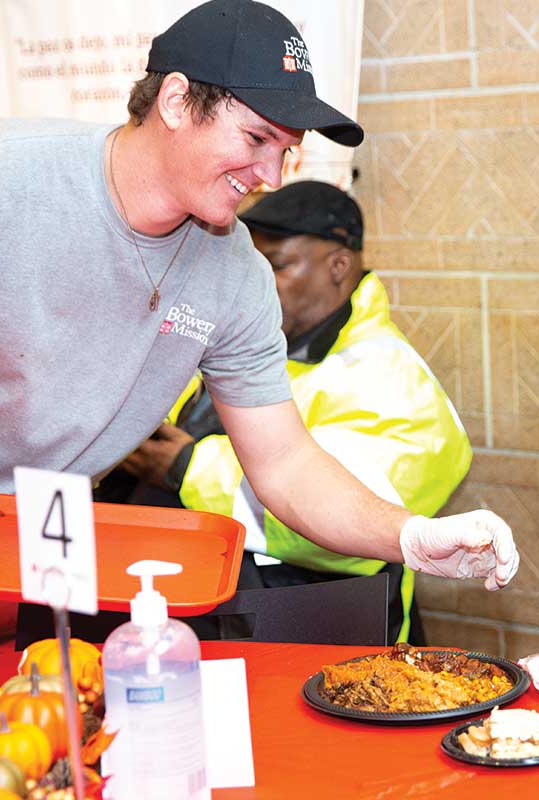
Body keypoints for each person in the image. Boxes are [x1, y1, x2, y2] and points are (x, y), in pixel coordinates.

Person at [0, 0, 517, 678]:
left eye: (287, 153)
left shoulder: (236, 275)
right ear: (178, 100)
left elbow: (283, 465)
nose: (270, 177)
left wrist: (408, 537)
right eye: (256, 140)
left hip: (17, 567)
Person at [101, 180, 472, 644]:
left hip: (320, 641)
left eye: (277, 265)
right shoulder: (245, 341)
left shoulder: (389, 374)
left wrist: (185, 467)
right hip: (194, 619)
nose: (257, 281)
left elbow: (357, 523)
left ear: (338, 266)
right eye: (251, 263)